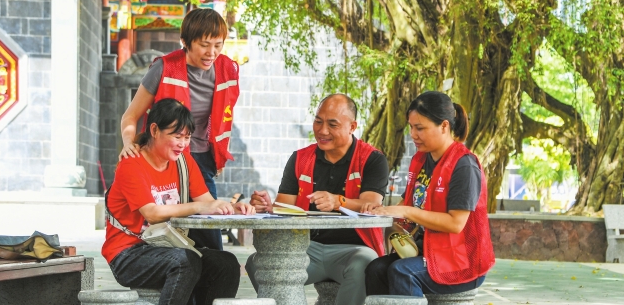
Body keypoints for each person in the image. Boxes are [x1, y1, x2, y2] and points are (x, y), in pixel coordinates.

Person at [103, 98, 254, 305]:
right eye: (177, 136)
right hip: (128, 254)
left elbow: (208, 203)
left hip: (168, 247)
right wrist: (200, 206)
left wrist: (233, 208)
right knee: (185, 261)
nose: (183, 144)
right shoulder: (132, 164)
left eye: (187, 137)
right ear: (154, 130)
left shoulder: (184, 162)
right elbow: (152, 213)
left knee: (225, 263)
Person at [246, 94, 390, 305]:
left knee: (365, 263)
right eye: (318, 121)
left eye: (332, 124)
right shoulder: (300, 158)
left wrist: (338, 201)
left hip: (353, 249)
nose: (322, 131)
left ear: (352, 126)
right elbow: (284, 207)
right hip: (306, 247)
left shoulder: (372, 159)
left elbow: (370, 204)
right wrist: (268, 208)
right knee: (258, 263)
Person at [118, 8, 240, 251]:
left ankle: (209, 282)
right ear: (185, 42)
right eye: (205, 45)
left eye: (218, 45)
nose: (212, 53)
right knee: (166, 233)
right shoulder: (164, 68)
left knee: (209, 238)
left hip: (201, 161)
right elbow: (131, 115)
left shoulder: (227, 69)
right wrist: (129, 143)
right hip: (164, 161)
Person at [364, 91, 495, 297]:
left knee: (402, 272)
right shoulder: (420, 160)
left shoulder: (464, 165)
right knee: (375, 269)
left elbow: (455, 223)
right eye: (411, 127)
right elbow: (409, 201)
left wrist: (406, 211)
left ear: (444, 126)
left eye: (420, 128)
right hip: (425, 250)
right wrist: (382, 211)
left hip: (461, 259)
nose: (413, 134)